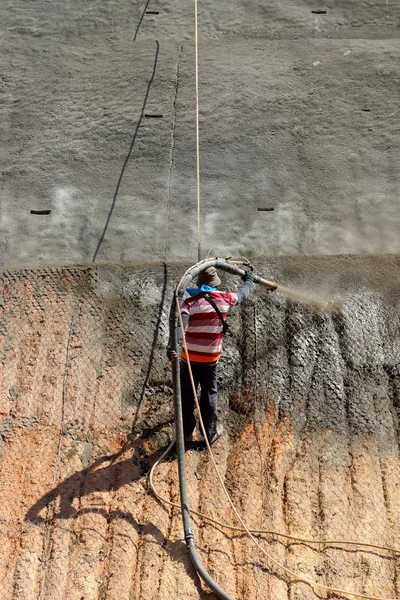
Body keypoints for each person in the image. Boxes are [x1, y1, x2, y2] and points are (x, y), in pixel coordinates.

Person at [168, 267, 255, 444]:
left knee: (186, 394)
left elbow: (181, 328)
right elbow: (243, 295)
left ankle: (185, 432)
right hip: (210, 360)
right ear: (215, 284)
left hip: (189, 359)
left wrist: (172, 345)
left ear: (199, 283)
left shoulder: (189, 303)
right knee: (209, 394)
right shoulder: (225, 299)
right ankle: (209, 433)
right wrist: (249, 281)